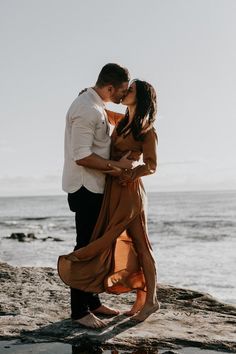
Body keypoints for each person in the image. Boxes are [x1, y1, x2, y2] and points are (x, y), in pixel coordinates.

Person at [58, 78, 160, 326]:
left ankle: (151, 300)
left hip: (129, 193)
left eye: (131, 90)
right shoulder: (123, 121)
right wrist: (89, 93)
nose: (125, 92)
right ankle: (135, 296)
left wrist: (129, 172)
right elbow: (102, 111)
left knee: (140, 243)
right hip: (112, 189)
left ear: (141, 97)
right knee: (119, 241)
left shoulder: (147, 130)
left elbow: (152, 166)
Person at [62, 63, 132, 329]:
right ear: (110, 87)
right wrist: (118, 168)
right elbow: (81, 156)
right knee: (86, 249)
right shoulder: (86, 109)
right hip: (84, 188)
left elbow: (113, 119)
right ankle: (79, 311)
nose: (122, 97)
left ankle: (92, 302)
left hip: (95, 187)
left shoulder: (97, 104)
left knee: (96, 246)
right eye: (121, 92)